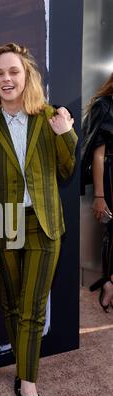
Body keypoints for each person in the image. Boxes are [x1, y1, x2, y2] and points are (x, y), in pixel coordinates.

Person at [0, 43, 77, 396]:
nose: (6, 79)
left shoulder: (48, 115)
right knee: (12, 305)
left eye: (13, 72)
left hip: (44, 224)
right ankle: (23, 370)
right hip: (4, 225)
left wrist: (67, 134)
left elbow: (68, 172)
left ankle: (28, 392)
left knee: (33, 309)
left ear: (26, 75)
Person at [81, 73, 113, 311]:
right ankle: (109, 283)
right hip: (111, 175)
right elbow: (98, 155)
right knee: (112, 232)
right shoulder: (105, 106)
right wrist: (100, 196)